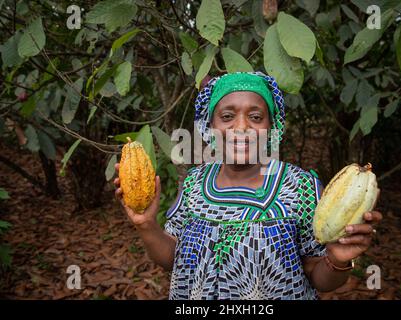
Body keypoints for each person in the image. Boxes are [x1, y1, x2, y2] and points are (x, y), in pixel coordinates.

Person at [114, 72, 382, 300]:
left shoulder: (300, 186)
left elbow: (318, 278)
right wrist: (147, 225)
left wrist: (337, 259)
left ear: (271, 127)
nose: (241, 127)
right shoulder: (195, 183)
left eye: (255, 117)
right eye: (227, 116)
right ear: (210, 126)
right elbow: (174, 259)